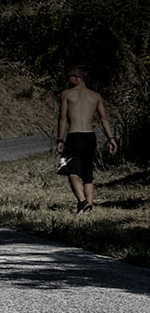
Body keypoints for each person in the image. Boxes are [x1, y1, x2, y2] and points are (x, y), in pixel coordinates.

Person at [56, 65, 117, 214]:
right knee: (87, 174)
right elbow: (104, 119)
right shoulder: (95, 96)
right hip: (90, 137)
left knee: (72, 172)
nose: (68, 80)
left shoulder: (66, 94)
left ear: (77, 78)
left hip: (74, 136)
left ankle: (83, 202)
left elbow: (62, 118)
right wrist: (111, 138)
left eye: (69, 77)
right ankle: (88, 208)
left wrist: (60, 139)